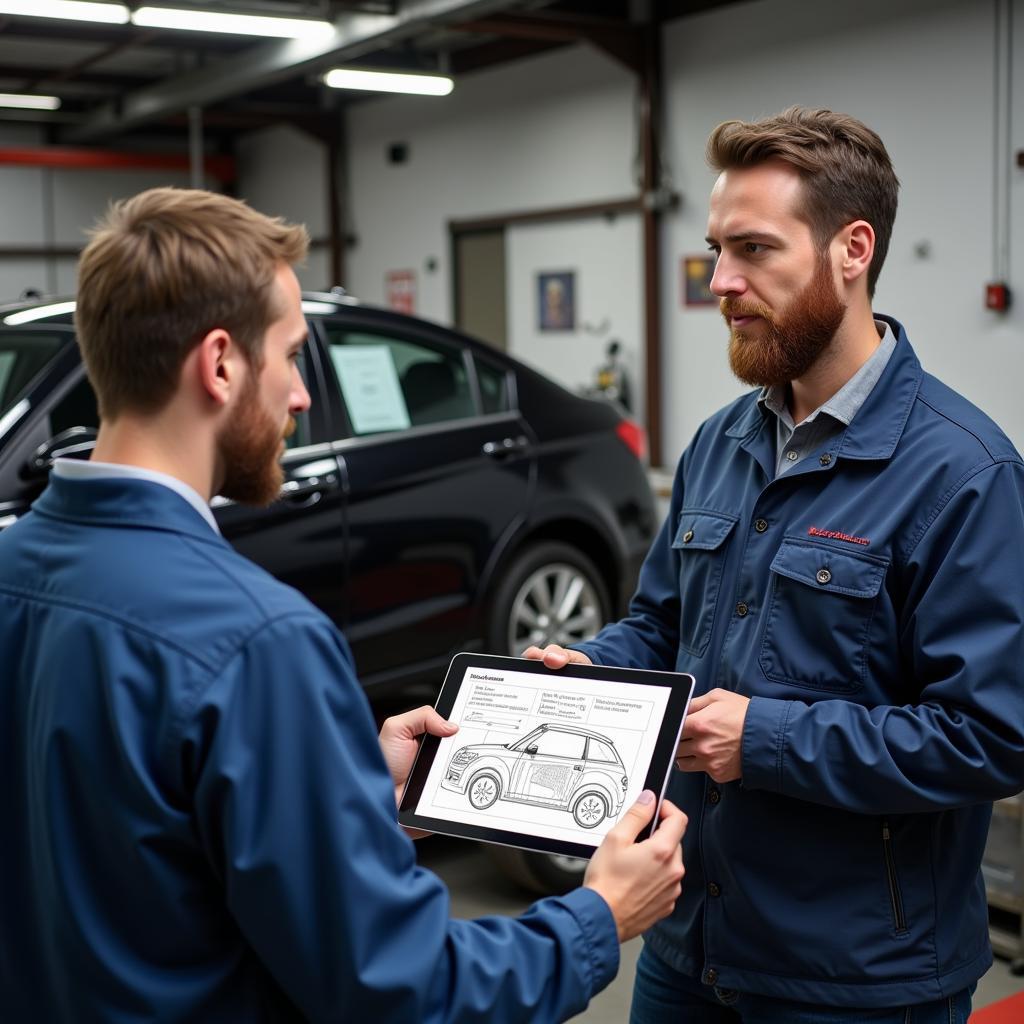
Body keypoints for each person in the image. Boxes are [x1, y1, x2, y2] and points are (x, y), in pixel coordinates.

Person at [0, 187, 688, 1023]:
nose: (299, 397)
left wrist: (340, 782)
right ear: (219, 364)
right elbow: (401, 990)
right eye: (291, 356)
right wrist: (600, 915)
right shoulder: (258, 641)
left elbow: (129, 837)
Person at [526, 107, 1024, 1023]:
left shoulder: (965, 474)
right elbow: (663, 623)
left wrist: (765, 741)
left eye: (753, 249)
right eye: (716, 249)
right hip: (688, 943)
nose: (721, 281)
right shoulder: (721, 444)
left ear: (853, 249)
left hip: (857, 980)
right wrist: (590, 669)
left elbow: (989, 737)